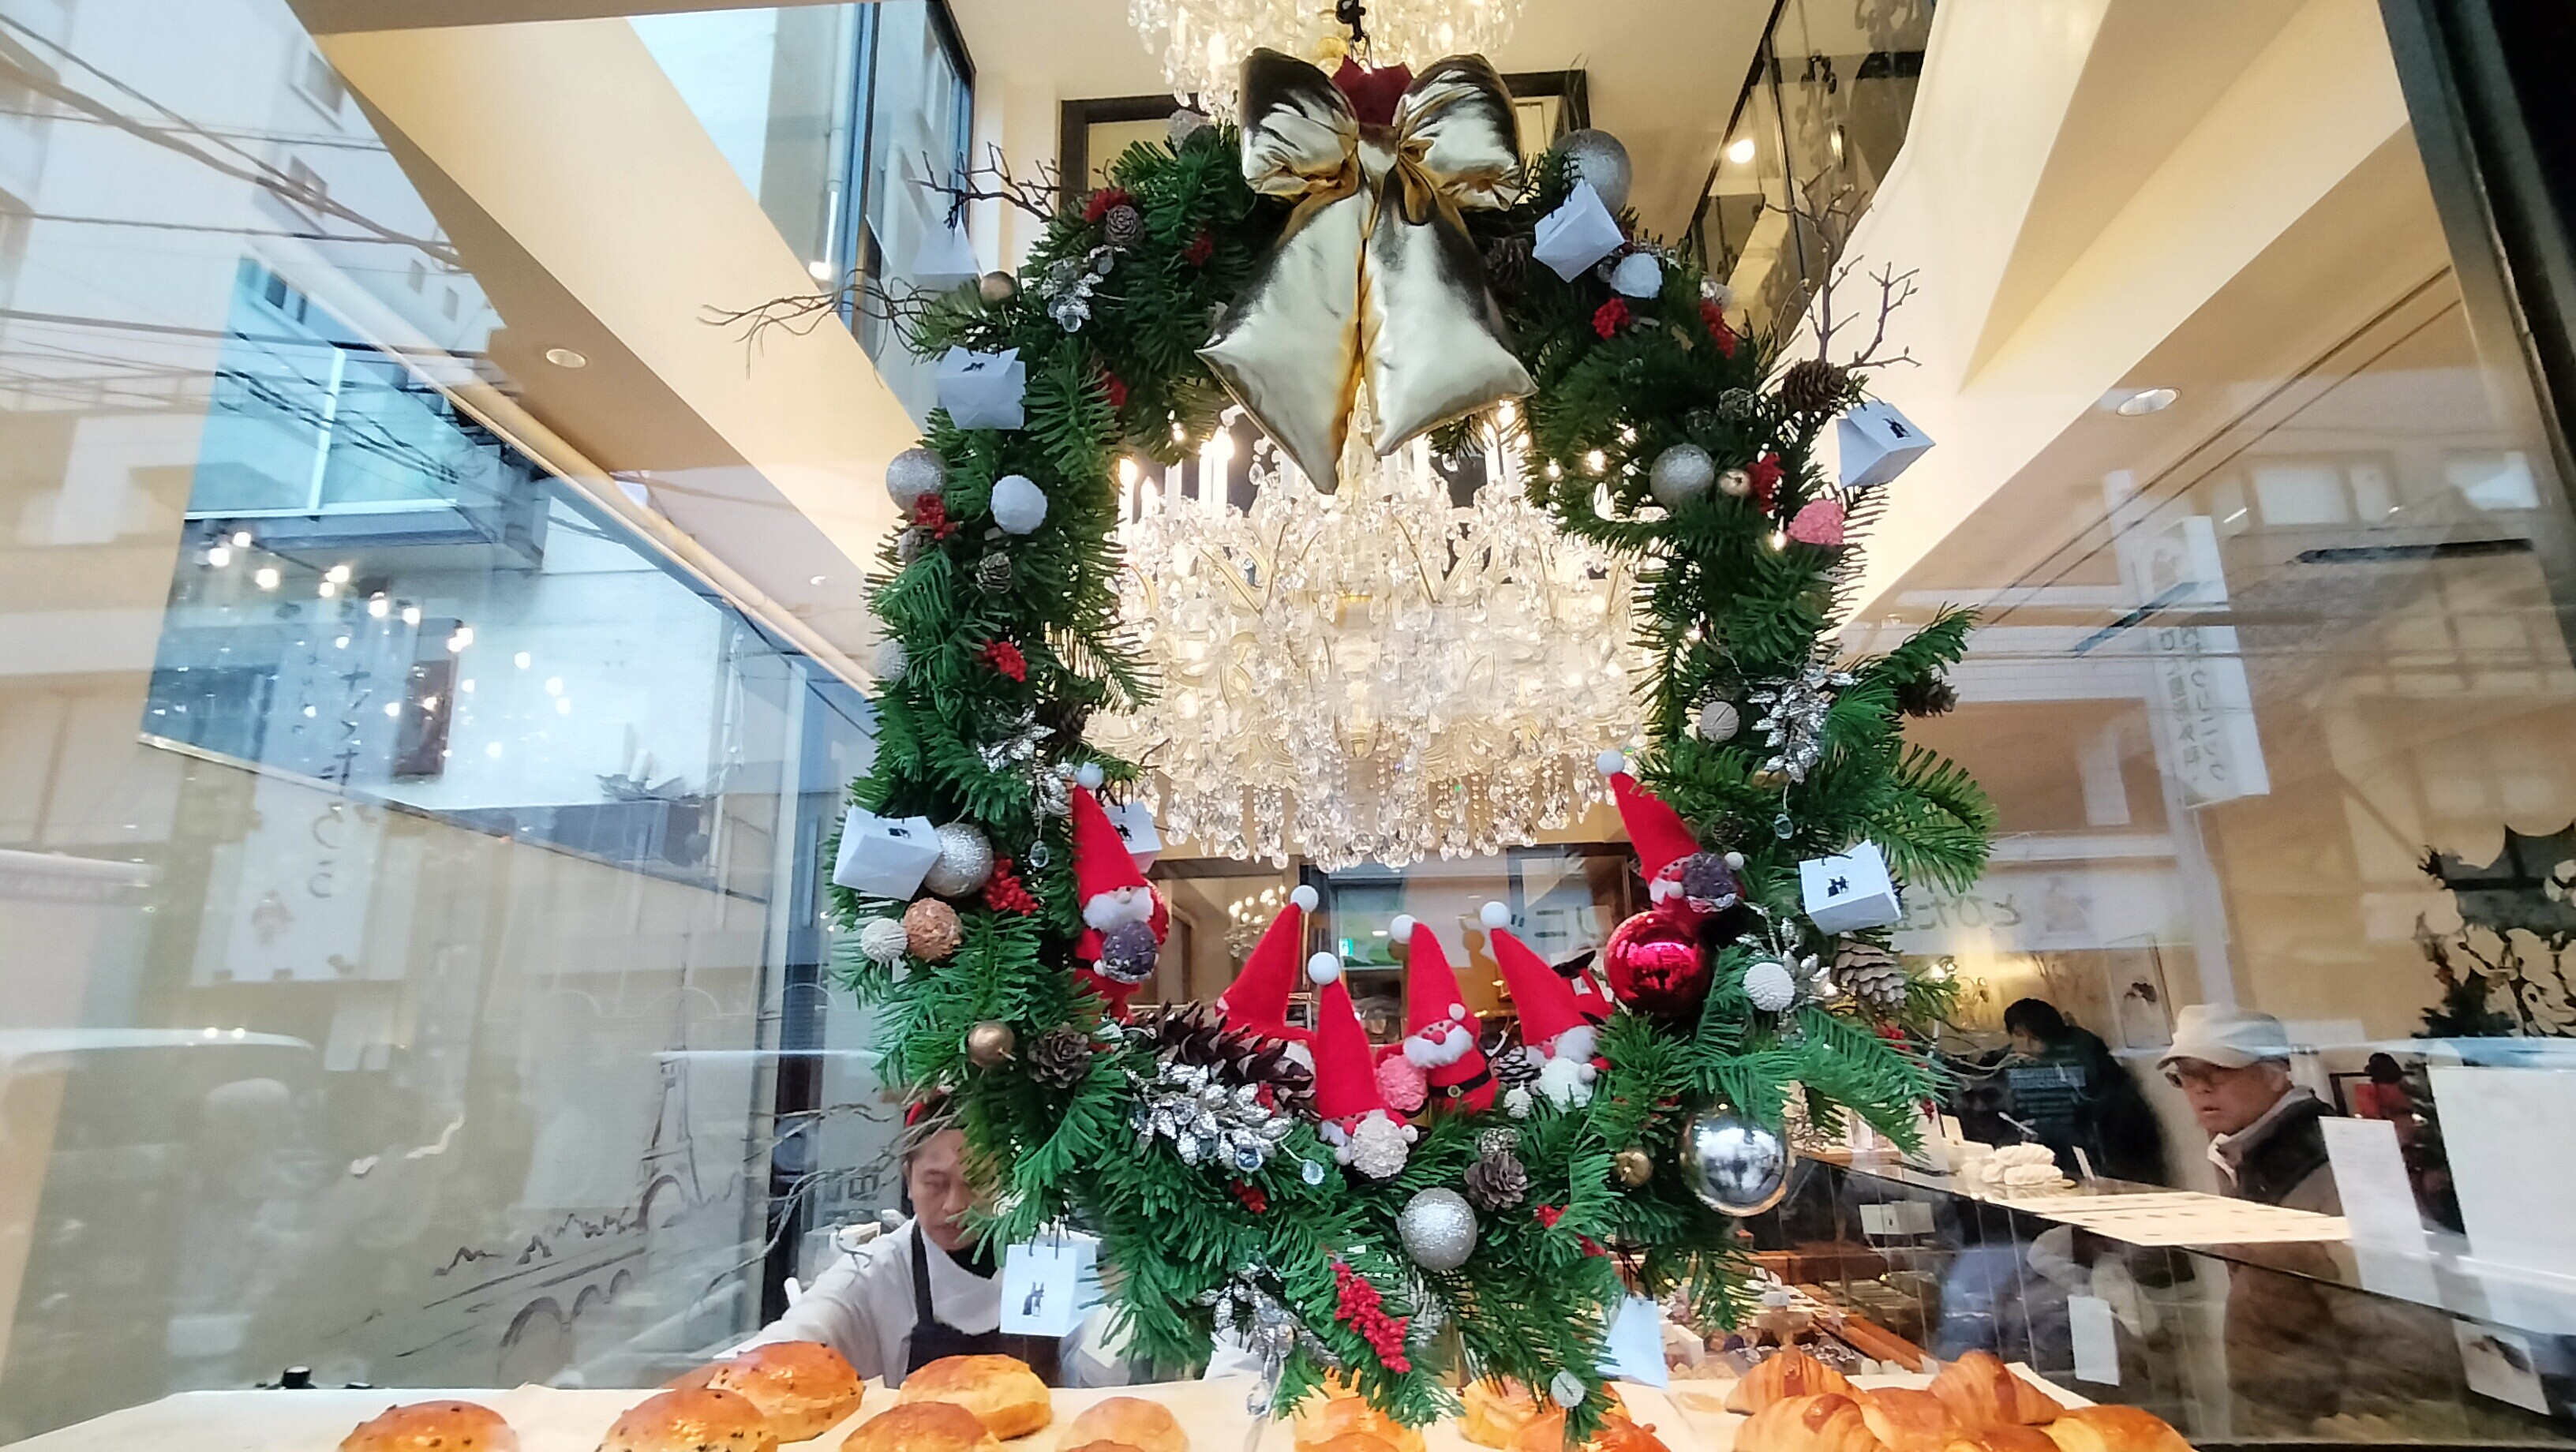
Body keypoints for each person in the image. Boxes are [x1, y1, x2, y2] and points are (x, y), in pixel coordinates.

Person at [740, 1099, 1121, 1387]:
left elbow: (1098, 1375)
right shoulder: (877, 1273)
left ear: (1003, 1180)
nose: (954, 1205)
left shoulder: (1043, 1259)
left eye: (976, 1182)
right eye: (935, 1183)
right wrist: (734, 1378)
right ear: (908, 1179)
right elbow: (793, 1339)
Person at [2156, 1005, 2337, 1213]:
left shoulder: (2320, 1157)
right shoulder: (2235, 1149)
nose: (2200, 1088)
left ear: (2275, 1076)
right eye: (2187, 1074)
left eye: (2217, 1071)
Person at [1999, 998, 2166, 1184]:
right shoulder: (2017, 1064)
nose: (2028, 1044)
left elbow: (2092, 1109)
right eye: (2019, 1035)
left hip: (2110, 1144)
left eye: (2035, 1037)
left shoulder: (2079, 1054)